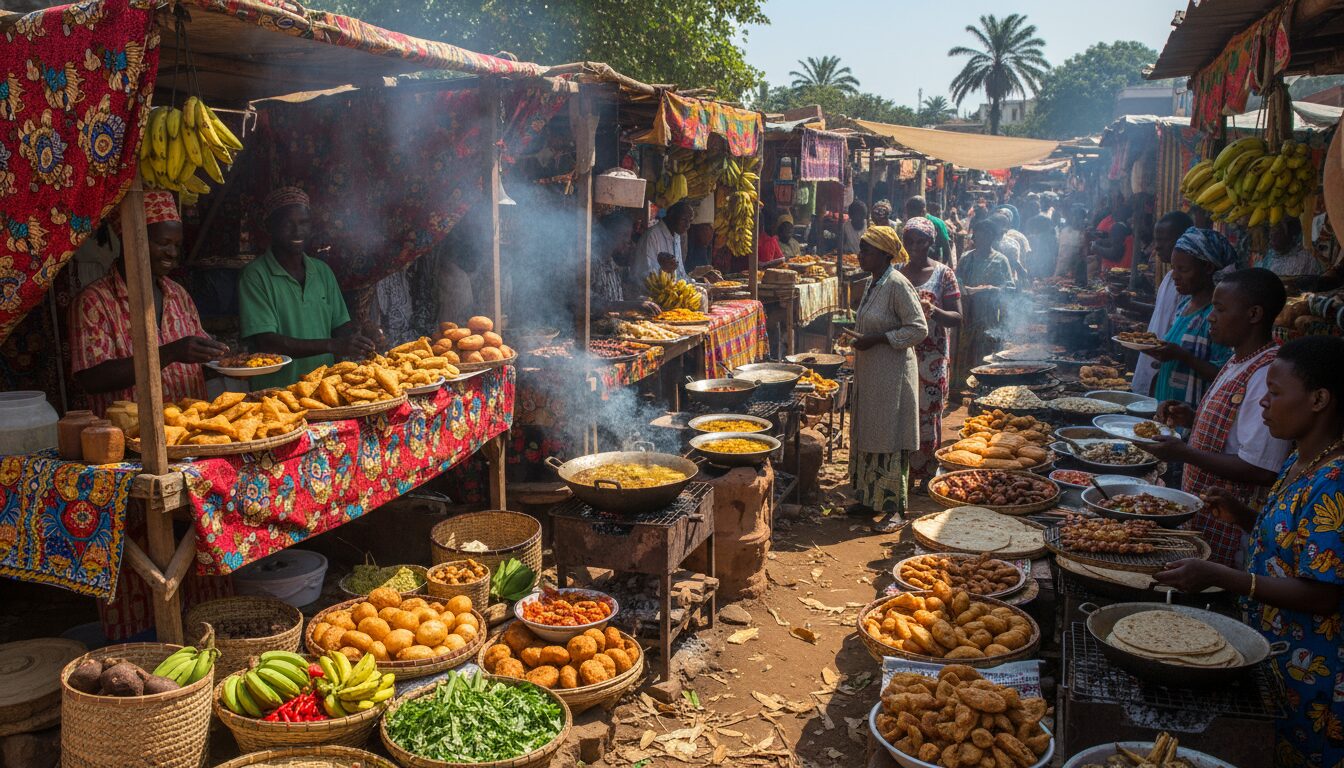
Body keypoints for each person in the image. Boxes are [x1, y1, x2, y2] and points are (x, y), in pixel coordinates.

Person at [1153, 336, 1344, 767]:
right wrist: (1244, 516)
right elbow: (1299, 547)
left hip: (1312, 670)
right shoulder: (1304, 461)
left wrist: (1221, 576)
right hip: (1272, 648)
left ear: (1319, 399)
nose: (1263, 405)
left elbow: (1324, 592)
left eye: (1275, 394)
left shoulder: (1336, 480)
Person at [1148, 268, 1292, 566]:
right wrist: (1192, 418)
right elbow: (1232, 432)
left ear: (1253, 314)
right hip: (1206, 517)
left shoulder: (1267, 373)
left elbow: (1261, 468)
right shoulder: (1239, 359)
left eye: (1221, 308)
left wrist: (1185, 453)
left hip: (1233, 529)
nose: (1211, 316)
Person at [71, 191, 229, 416]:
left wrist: (227, 364)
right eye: (163, 243)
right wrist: (169, 353)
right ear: (131, 240)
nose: (172, 253)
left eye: (177, 244)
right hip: (129, 439)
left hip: (188, 430)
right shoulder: (94, 302)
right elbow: (92, 379)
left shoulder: (178, 294)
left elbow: (196, 358)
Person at [238, 186, 376, 390]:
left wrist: (362, 335)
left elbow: (341, 327)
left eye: (304, 223)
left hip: (324, 389)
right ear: (270, 227)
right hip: (276, 393)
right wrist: (332, 345)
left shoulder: (322, 272)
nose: (297, 231)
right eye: (288, 224)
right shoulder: (255, 275)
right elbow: (268, 342)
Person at [846, 226, 927, 532]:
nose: (860, 254)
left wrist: (879, 338)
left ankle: (895, 508)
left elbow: (918, 329)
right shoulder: (874, 282)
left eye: (865, 250)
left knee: (890, 437)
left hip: (892, 375)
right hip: (872, 372)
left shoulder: (897, 284)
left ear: (883, 254)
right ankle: (869, 498)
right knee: (871, 433)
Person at [898, 217, 962, 487]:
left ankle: (926, 474)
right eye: (910, 241)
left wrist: (934, 311)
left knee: (929, 413)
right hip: (902, 354)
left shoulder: (944, 274)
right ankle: (903, 473)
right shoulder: (897, 273)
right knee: (904, 412)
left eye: (920, 241)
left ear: (930, 242)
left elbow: (957, 317)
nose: (915, 246)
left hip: (932, 357)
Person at [1146, 228, 1238, 411]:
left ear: (1208, 268)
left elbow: (1225, 373)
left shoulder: (1217, 315)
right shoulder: (1184, 305)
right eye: (1173, 268)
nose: (1174, 276)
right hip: (1168, 411)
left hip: (1192, 417)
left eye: (1183, 269)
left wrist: (1182, 356)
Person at [1129, 211, 1195, 396]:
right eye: (1155, 239)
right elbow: (1161, 313)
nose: (1157, 246)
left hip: (1165, 370)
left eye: (1164, 240)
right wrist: (1130, 305)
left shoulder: (1188, 283)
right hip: (1150, 364)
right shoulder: (1169, 277)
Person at [953, 217, 1016, 387]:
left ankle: (985, 385)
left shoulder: (1000, 260)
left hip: (989, 314)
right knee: (965, 349)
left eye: (985, 237)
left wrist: (989, 289)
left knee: (986, 350)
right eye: (977, 236)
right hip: (968, 313)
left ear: (991, 238)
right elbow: (956, 282)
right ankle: (962, 386)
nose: (980, 240)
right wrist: (966, 289)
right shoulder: (966, 258)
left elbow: (1009, 288)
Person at [590, 213, 661, 316]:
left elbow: (617, 295)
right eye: (624, 235)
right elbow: (588, 303)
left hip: (614, 326)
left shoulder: (611, 262)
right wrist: (631, 305)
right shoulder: (590, 263)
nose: (628, 241)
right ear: (608, 235)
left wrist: (637, 299)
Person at [905, 196, 953, 264]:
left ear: (923, 211)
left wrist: (944, 266)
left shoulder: (937, 223)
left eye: (912, 214)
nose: (909, 217)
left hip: (933, 261)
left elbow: (946, 246)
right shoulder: (909, 224)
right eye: (908, 214)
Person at [1020, 197, 1057, 279]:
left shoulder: (1029, 221)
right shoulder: (1047, 219)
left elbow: (1027, 236)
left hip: (1034, 250)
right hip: (1046, 250)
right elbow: (1054, 236)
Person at [1054, 204, 1089, 281]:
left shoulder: (1083, 234)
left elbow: (1084, 255)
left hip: (1073, 273)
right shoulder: (1064, 231)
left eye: (1080, 218)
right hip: (1063, 271)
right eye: (1075, 217)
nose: (1076, 220)